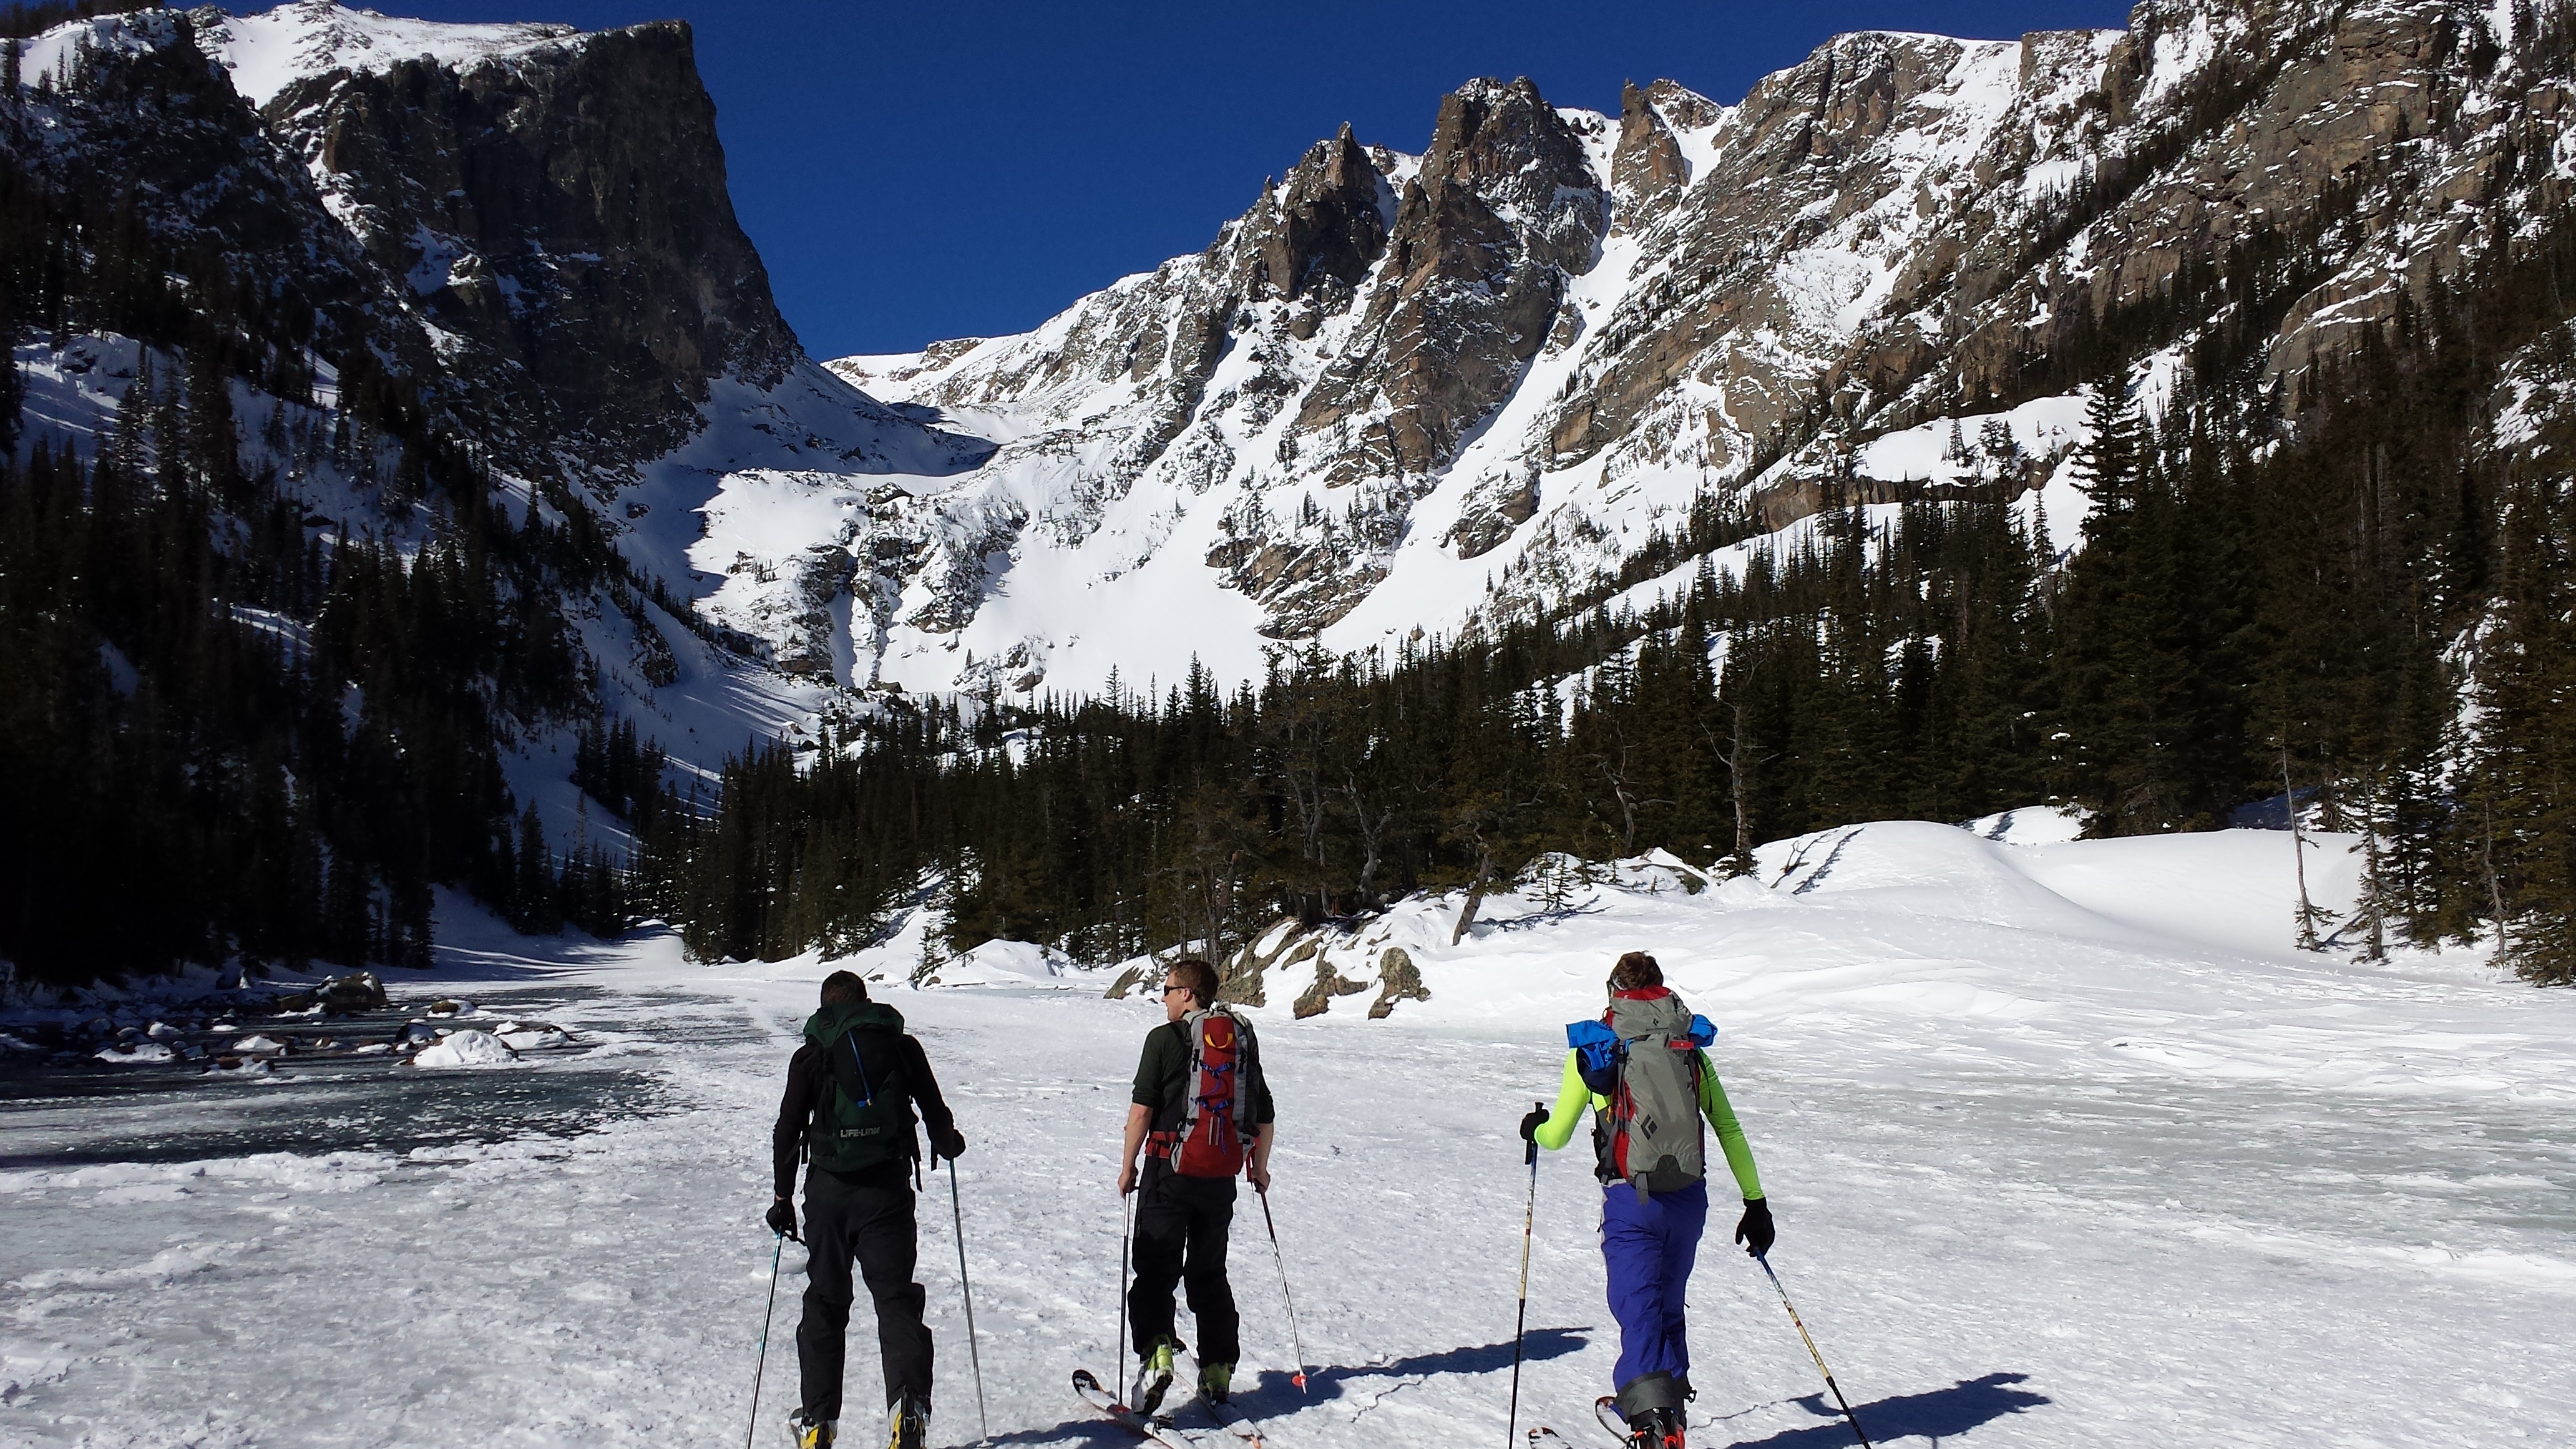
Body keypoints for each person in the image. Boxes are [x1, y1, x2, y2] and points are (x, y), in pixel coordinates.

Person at [1518, 951, 1772, 1449]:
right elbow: (1728, 1127)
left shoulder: (1597, 1050)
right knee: (1667, 1306)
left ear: (1614, 992)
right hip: (1689, 1200)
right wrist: (1755, 1201)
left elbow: (1558, 1135)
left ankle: (1652, 1424)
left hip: (1632, 1203)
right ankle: (1668, 1412)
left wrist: (1535, 1129)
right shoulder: (1688, 1048)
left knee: (1638, 1309)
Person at [769, 970, 967, 1449]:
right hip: (886, 1190)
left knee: (826, 1303)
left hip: (829, 1195)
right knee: (896, 1299)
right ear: (866, 1002)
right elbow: (935, 1111)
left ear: (826, 1008)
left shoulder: (812, 1053)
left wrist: (782, 1198)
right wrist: (948, 1142)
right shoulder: (901, 1047)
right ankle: (908, 1409)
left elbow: (788, 1129)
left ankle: (818, 1423)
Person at [1115, 957, 1276, 1413]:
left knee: (1155, 1267)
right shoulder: (1240, 1038)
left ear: (1187, 993)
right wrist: (1259, 1169)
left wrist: (1127, 1167)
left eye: (1167, 989)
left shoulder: (1164, 1039)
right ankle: (1219, 1367)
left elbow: (1142, 1111)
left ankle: (1157, 1353)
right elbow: (1263, 1114)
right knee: (1209, 1273)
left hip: (1168, 1171)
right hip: (1219, 1178)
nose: (1163, 998)